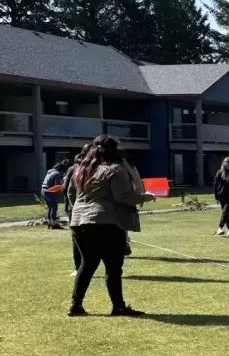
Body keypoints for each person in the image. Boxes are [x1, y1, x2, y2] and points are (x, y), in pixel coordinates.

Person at [66, 134, 155, 317]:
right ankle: (118, 306)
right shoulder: (115, 169)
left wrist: (80, 210)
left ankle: (76, 305)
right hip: (107, 222)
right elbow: (123, 196)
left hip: (79, 222)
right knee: (113, 267)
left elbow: (70, 195)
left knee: (87, 264)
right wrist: (146, 196)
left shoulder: (80, 169)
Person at [64, 143, 91, 273]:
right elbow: (67, 190)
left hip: (80, 208)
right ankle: (78, 267)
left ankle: (82, 267)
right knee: (78, 238)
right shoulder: (75, 168)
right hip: (75, 208)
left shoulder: (93, 168)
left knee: (81, 238)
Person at [41, 159, 71, 228]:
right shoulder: (57, 173)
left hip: (43, 190)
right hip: (49, 191)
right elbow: (57, 185)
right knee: (54, 207)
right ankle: (54, 224)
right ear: (61, 169)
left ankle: (49, 223)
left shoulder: (49, 172)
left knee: (50, 207)